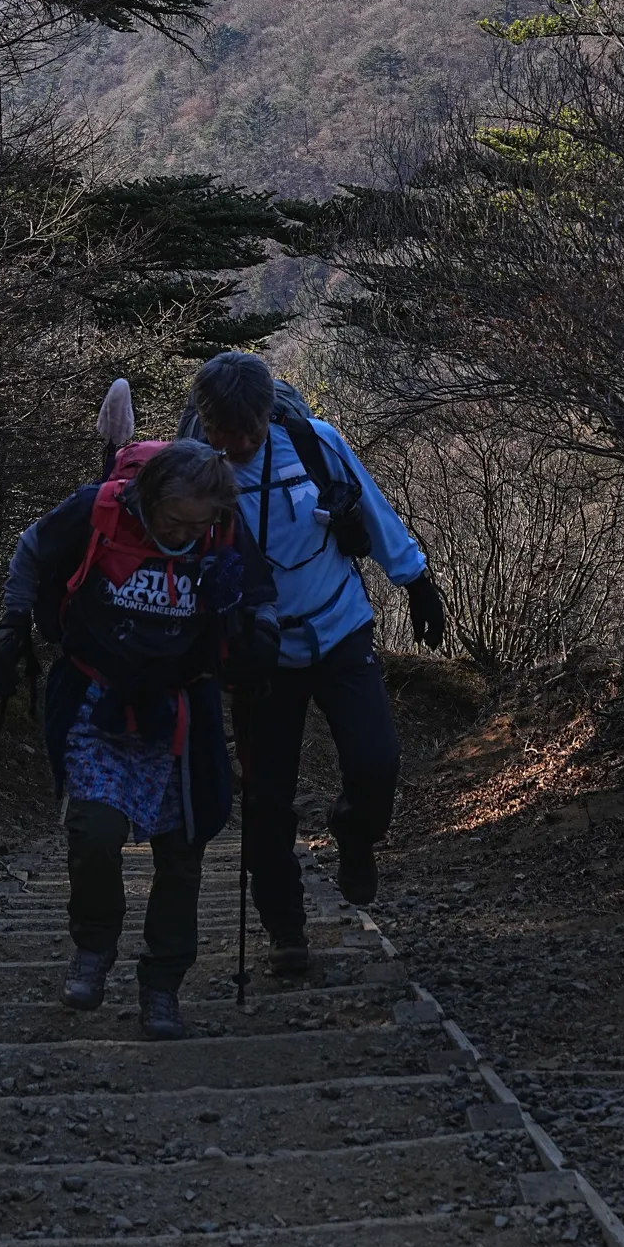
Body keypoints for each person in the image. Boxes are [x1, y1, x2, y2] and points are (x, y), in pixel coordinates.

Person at [0, 438, 279, 1038]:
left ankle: (163, 986)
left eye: (197, 524)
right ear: (148, 497)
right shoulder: (101, 509)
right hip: (99, 696)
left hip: (181, 707)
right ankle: (93, 946)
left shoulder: (221, 532)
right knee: (93, 831)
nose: (183, 534)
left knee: (182, 853)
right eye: (173, 521)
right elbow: (32, 552)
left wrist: (258, 642)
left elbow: (260, 596)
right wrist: (11, 622)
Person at [184, 352, 445, 974]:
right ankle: (286, 931)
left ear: (266, 415)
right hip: (259, 655)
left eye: (251, 429)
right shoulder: (194, 472)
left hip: (339, 626)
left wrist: (416, 580)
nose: (241, 442)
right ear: (207, 420)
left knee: (377, 761)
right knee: (267, 797)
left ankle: (355, 835)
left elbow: (371, 508)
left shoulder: (312, 441)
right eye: (228, 431)